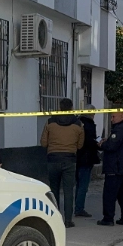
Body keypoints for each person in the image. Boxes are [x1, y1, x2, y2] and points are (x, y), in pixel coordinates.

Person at [40, 98, 84, 228]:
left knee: (54, 190)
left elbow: (43, 143)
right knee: (68, 191)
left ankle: (55, 220)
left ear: (59, 107)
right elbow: (80, 145)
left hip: (53, 159)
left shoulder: (50, 122)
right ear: (71, 108)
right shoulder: (78, 124)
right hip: (70, 160)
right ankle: (68, 220)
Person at [74, 105, 100, 217]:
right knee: (83, 185)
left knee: (79, 184)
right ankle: (79, 208)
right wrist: (100, 143)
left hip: (76, 157)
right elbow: (91, 141)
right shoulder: (89, 125)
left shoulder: (77, 122)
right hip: (86, 157)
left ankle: (77, 206)